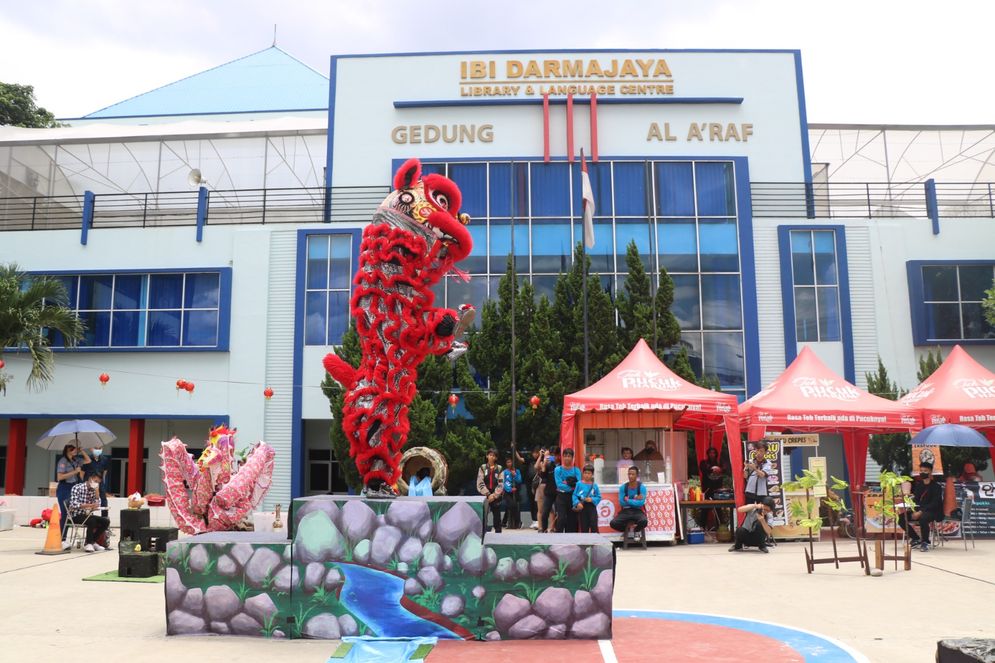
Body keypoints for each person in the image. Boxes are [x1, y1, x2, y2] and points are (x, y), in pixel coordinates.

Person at [899, 461, 944, 552]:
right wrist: (913, 510)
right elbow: (915, 500)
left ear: (930, 472)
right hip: (918, 509)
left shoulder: (936, 487)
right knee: (901, 518)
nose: (922, 473)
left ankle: (925, 542)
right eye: (921, 470)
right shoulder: (919, 486)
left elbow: (935, 503)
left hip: (932, 511)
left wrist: (920, 512)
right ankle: (916, 538)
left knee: (923, 518)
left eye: (925, 471)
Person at [55, 443, 90, 548]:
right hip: (64, 487)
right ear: (67, 450)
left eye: (75, 449)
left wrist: (82, 450)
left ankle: (66, 539)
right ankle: (62, 539)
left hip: (74, 487)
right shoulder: (63, 461)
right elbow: (59, 477)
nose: (74, 450)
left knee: (72, 514)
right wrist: (75, 471)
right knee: (65, 514)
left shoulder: (76, 460)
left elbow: (88, 460)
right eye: (72, 449)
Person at [68, 470, 111, 552]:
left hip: (87, 515)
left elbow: (97, 504)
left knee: (105, 521)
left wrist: (97, 493)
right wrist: (90, 505)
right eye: (95, 481)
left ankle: (92, 541)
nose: (96, 484)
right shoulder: (77, 488)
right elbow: (73, 504)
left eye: (98, 483)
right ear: (90, 479)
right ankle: (88, 543)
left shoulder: (94, 490)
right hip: (75, 515)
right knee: (92, 520)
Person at [611, 466, 649, 534]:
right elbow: (622, 502)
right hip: (626, 511)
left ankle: (635, 531)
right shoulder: (623, 487)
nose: (630, 476)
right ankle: (627, 530)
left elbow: (641, 503)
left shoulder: (642, 487)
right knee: (613, 523)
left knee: (644, 521)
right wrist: (635, 499)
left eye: (633, 474)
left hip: (638, 510)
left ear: (637, 475)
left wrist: (628, 500)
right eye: (629, 474)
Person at [553, 448, 582, 533]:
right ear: (562, 457)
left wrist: (566, 484)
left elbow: (579, 485)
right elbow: (559, 485)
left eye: (569, 456)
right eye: (565, 456)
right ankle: (558, 539)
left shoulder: (576, 470)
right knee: (561, 518)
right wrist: (572, 486)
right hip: (561, 496)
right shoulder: (558, 469)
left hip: (573, 497)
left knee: (572, 520)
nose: (567, 458)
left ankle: (571, 541)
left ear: (572, 458)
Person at [476, 449, 504, 533]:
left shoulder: (499, 468)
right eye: (490, 455)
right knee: (483, 516)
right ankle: (483, 534)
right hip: (485, 496)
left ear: (496, 458)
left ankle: (498, 534)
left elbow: (501, 484)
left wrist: (494, 495)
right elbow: (480, 482)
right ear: (487, 456)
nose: (492, 457)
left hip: (496, 496)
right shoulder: (482, 468)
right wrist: (488, 494)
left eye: (494, 455)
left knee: (497, 517)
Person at [572, 464, 602, 533]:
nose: (587, 475)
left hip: (592, 507)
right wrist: (577, 503)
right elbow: (574, 495)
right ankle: (585, 542)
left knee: (594, 525)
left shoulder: (594, 485)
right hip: (582, 507)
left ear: (592, 474)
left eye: (589, 473)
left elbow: (598, 497)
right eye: (585, 473)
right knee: (584, 526)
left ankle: (596, 542)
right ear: (583, 473)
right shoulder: (579, 484)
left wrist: (592, 499)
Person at [536, 447, 558, 533]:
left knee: (558, 512)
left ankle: (555, 529)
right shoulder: (548, 465)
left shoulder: (560, 465)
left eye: (553, 455)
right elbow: (542, 476)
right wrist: (544, 464)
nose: (552, 457)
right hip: (548, 492)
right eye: (550, 455)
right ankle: (544, 529)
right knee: (545, 512)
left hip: (559, 492)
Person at [501, 456, 523, 529]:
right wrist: (510, 489)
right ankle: (518, 522)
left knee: (509, 507)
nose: (509, 463)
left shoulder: (517, 471)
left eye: (510, 462)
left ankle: (504, 522)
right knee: (512, 505)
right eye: (508, 462)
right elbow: (503, 483)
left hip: (516, 492)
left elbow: (519, 480)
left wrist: (515, 475)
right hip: (507, 492)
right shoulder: (504, 472)